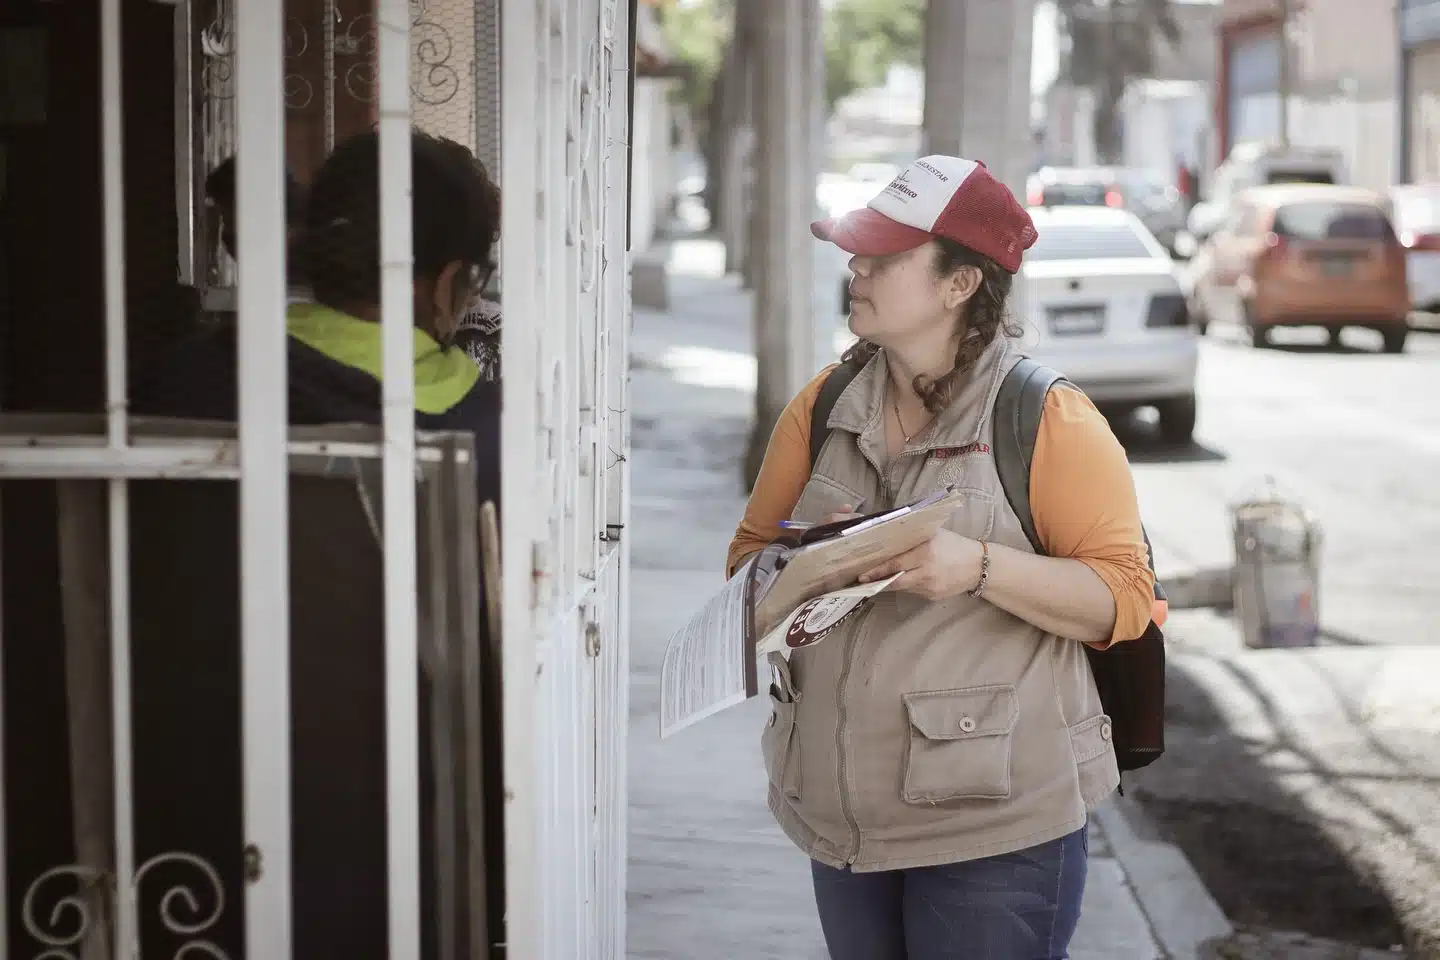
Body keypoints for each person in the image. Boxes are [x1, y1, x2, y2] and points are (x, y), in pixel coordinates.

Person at [727, 156, 1156, 960]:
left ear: (960, 285)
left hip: (994, 828)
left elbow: (1124, 597)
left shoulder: (1046, 417)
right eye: (860, 251)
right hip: (840, 822)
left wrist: (978, 568)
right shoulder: (821, 408)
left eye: (886, 256)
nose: (858, 267)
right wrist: (814, 560)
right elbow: (747, 567)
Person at [137, 129, 500, 506]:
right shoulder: (476, 423)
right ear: (444, 284)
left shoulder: (188, 373)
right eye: (472, 281)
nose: (471, 302)